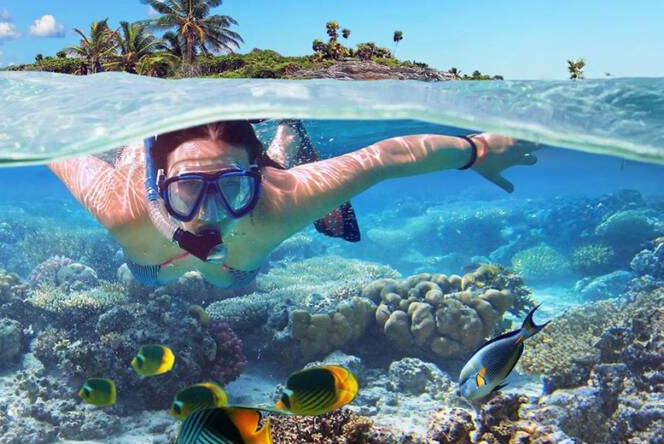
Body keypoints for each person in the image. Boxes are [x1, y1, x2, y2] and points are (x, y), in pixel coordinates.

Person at [49, 120, 539, 289]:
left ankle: (283, 141)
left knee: (225, 276)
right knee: (153, 272)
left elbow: (386, 158)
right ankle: (283, 141)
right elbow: (53, 147)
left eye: (233, 188)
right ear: (159, 184)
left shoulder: (278, 202)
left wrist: (477, 150)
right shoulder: (122, 206)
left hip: (238, 266)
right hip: (153, 263)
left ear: (254, 178)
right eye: (188, 188)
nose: (210, 212)